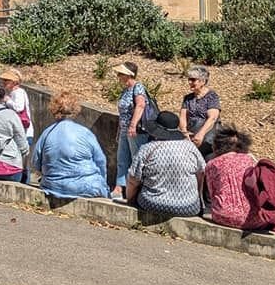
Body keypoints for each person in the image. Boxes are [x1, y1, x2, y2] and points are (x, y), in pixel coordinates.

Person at [126, 112, 206, 217]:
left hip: (153, 204)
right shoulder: (190, 148)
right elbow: (202, 172)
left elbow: (133, 180)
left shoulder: (147, 149)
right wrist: (198, 197)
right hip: (189, 207)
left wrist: (130, 200)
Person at [30, 92, 109, 199]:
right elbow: (101, 161)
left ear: (54, 109)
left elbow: (35, 162)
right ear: (75, 110)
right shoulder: (85, 133)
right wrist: (102, 181)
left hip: (53, 186)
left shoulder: (47, 133)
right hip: (87, 186)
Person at [110, 62, 152, 203]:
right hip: (124, 129)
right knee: (122, 159)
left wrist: (133, 125)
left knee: (136, 160)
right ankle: (119, 187)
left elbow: (140, 105)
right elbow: (122, 113)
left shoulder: (138, 87)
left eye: (121, 73)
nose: (118, 76)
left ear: (129, 74)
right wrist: (120, 129)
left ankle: (136, 191)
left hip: (136, 131)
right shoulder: (125, 90)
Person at [203, 127, 259, 230]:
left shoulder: (213, 164)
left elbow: (212, 192)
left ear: (217, 145)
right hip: (254, 218)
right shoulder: (250, 160)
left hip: (224, 215)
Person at [180, 66, 221, 157]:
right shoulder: (188, 98)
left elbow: (212, 118)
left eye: (193, 80)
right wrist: (184, 132)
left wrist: (201, 134)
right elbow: (183, 117)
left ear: (202, 81)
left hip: (208, 136)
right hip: (191, 135)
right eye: (189, 79)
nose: (190, 82)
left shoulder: (212, 97)